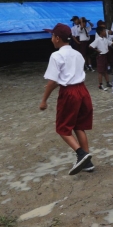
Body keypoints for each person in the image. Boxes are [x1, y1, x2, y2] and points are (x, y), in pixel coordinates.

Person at [40, 23, 94, 175]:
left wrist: (44, 100)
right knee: (79, 125)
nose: (51, 39)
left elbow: (52, 81)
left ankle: (81, 154)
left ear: (57, 38)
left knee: (62, 128)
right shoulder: (77, 54)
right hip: (82, 91)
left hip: (69, 93)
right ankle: (87, 162)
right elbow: (69, 76)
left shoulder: (56, 55)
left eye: (52, 36)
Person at [89, 26, 113, 90]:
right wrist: (97, 50)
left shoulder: (105, 39)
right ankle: (100, 84)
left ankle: (108, 82)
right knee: (100, 71)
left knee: (105, 70)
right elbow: (90, 46)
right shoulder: (97, 40)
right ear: (101, 32)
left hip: (105, 55)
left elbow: (112, 43)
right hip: (100, 56)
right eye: (104, 31)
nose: (105, 32)